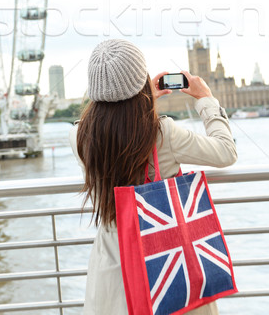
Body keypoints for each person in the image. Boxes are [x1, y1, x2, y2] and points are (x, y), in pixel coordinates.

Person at [69, 39, 238, 315]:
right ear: (142, 82)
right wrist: (206, 100)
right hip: (169, 269)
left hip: (113, 274)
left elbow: (100, 116)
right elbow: (226, 151)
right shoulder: (163, 133)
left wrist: (135, 96)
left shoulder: (81, 138)